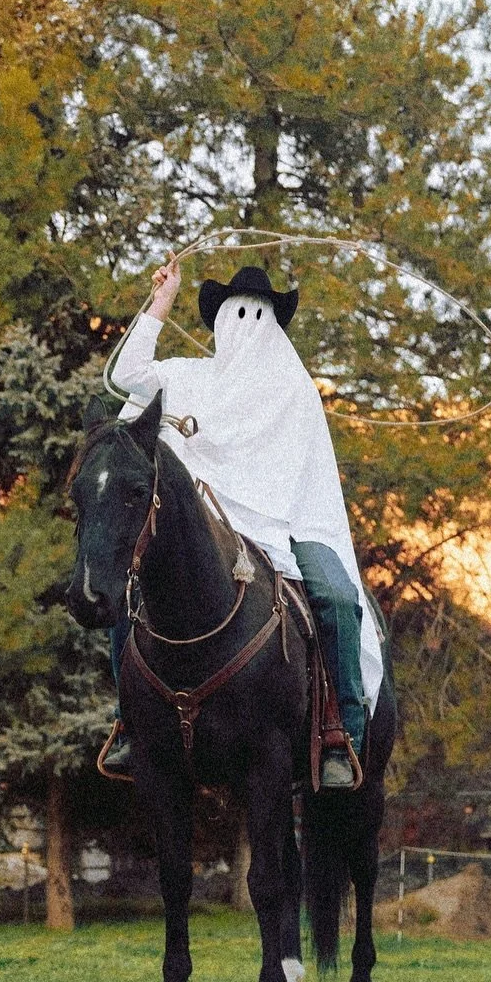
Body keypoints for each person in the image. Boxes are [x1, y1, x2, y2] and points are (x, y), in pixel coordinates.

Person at [105, 257, 382, 787]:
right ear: (217, 322)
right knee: (128, 592)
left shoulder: (294, 391)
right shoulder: (186, 376)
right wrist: (161, 302)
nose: (246, 324)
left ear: (275, 324)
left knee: (338, 598)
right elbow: (124, 376)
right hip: (199, 528)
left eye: (259, 313)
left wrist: (279, 518)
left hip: (287, 525)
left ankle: (341, 732)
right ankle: (128, 722)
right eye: (235, 313)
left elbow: (306, 476)